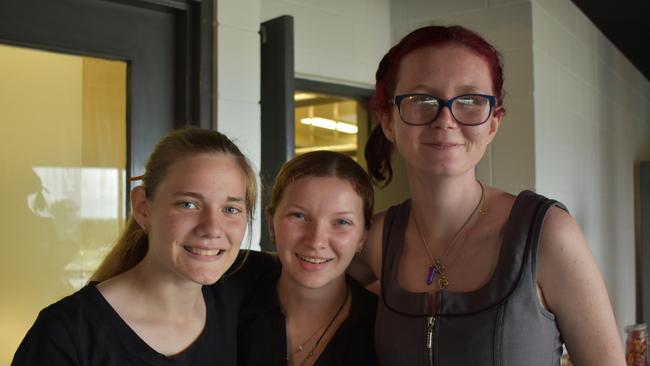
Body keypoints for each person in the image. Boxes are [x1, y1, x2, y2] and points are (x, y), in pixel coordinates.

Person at [358, 25, 625, 365]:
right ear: (388, 121)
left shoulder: (546, 234)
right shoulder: (376, 240)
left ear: (493, 123)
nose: (445, 120)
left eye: (469, 101)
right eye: (421, 100)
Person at [12, 127, 272, 365]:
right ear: (143, 208)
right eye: (188, 204)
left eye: (231, 209)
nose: (212, 229)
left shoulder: (243, 287)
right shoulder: (66, 333)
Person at [238, 150, 379, 366]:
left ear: (362, 237)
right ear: (271, 224)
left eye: (341, 222)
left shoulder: (384, 330)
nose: (316, 241)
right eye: (299, 216)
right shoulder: (231, 307)